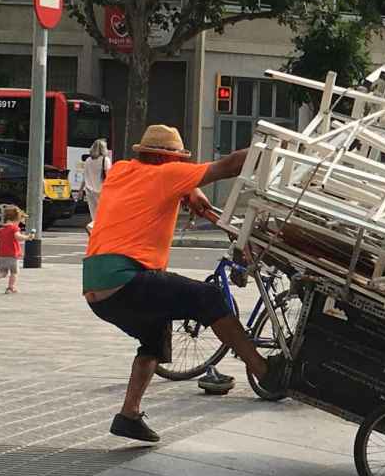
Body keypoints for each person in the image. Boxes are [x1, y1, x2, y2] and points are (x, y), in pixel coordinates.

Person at [83, 125, 290, 442]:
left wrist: (188, 191)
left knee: (153, 339)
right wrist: (279, 151)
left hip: (97, 289)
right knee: (208, 298)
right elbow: (231, 165)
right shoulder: (168, 175)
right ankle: (264, 371)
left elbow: (152, 189)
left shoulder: (122, 171)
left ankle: (129, 415)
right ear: (169, 159)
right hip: (127, 277)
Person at [0, 206, 32, 294]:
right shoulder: (14, 228)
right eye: (19, 222)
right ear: (16, 219)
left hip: (2, 255)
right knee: (14, 272)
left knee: (3, 272)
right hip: (12, 255)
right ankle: (10, 288)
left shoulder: (1, 229)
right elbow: (19, 237)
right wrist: (28, 237)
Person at [79, 138, 112, 234]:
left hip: (89, 190)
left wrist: (80, 190)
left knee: (94, 214)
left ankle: (95, 233)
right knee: (104, 212)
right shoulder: (105, 160)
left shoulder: (88, 160)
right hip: (102, 190)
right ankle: (91, 226)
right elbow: (108, 176)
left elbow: (85, 176)